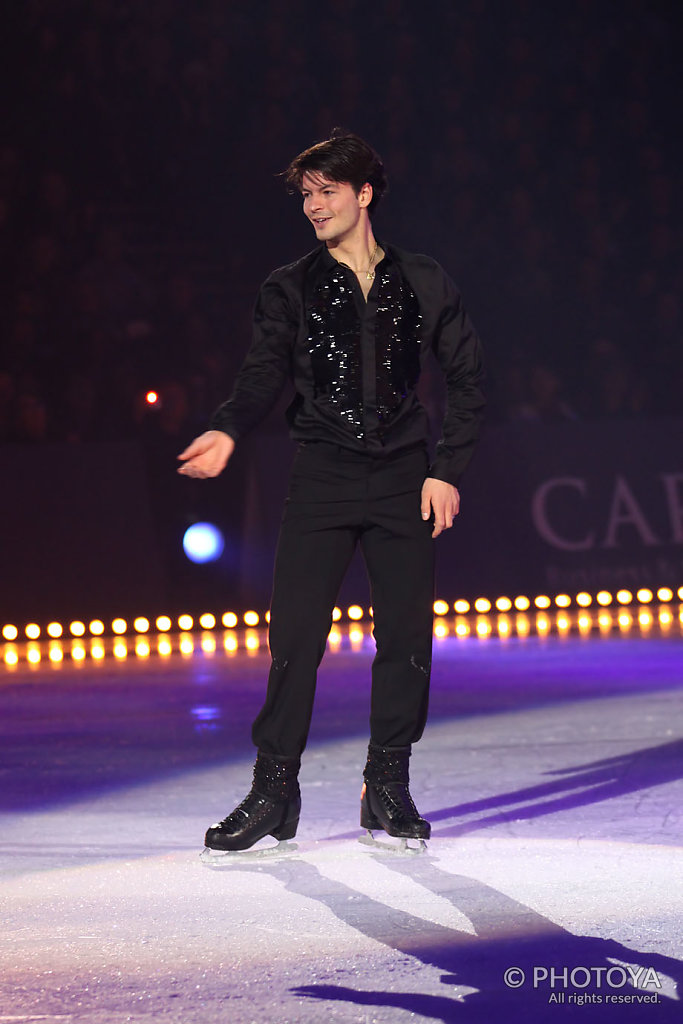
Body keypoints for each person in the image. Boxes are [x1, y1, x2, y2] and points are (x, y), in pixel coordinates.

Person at [178, 130, 485, 852]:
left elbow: (467, 380)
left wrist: (446, 470)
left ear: (363, 193)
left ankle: (386, 786)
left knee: (406, 640)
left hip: (405, 477)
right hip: (321, 474)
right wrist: (228, 429)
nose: (313, 206)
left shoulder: (424, 279)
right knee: (294, 641)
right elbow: (261, 372)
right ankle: (272, 792)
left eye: (326, 191)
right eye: (305, 195)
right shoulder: (289, 286)